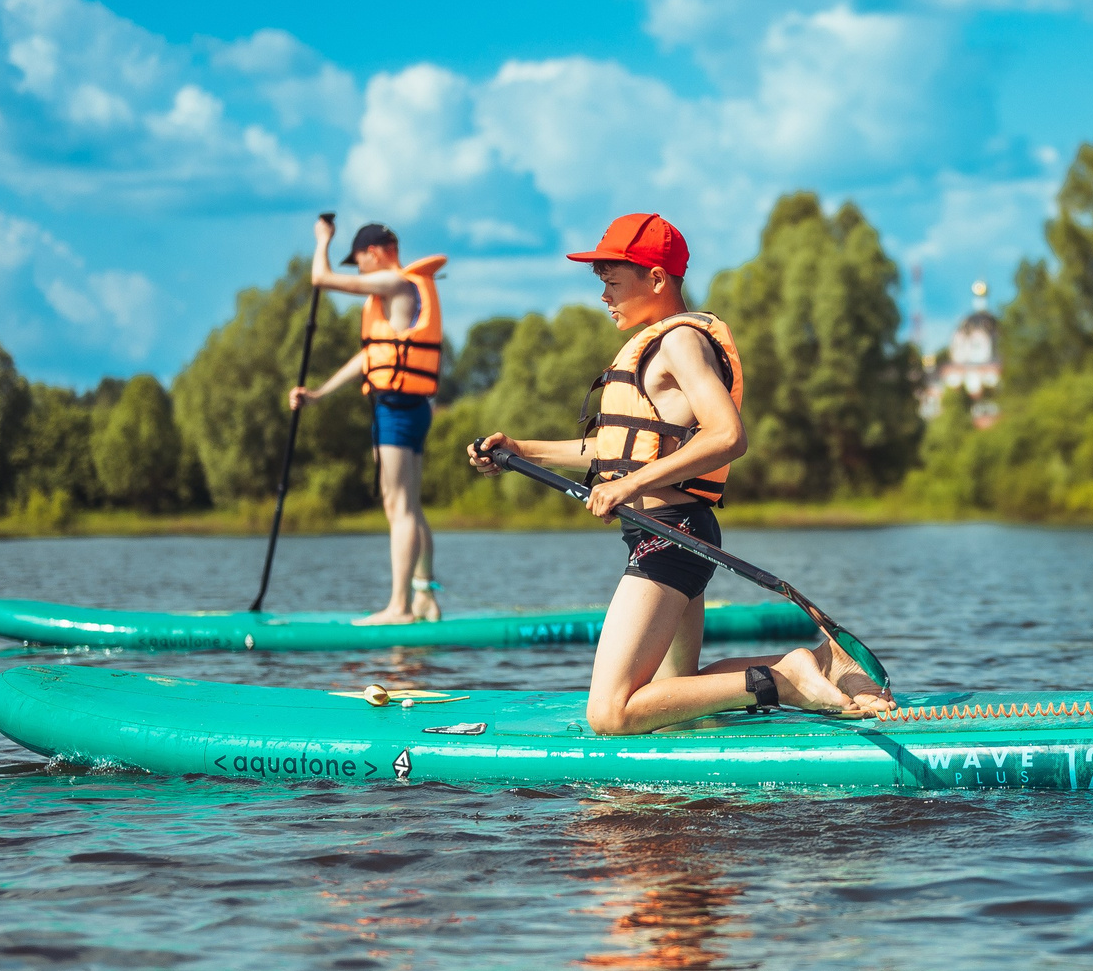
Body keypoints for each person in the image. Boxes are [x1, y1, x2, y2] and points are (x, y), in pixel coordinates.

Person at [464, 213, 891, 735]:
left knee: (612, 713)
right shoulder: (658, 344)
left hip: (671, 536)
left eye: (614, 282)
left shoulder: (680, 343)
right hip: (672, 533)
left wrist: (630, 485)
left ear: (657, 279)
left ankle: (782, 681)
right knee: (674, 693)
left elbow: (727, 435)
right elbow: (615, 449)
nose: (605, 296)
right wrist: (522, 450)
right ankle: (813, 666)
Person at [290, 218, 445, 625]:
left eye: (358, 261)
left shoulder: (393, 283)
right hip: (408, 404)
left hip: (396, 407)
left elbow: (320, 278)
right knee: (408, 505)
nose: (358, 270)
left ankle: (399, 607)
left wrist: (323, 240)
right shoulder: (398, 294)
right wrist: (321, 394)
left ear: (373, 252)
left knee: (399, 507)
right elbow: (372, 355)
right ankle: (424, 595)